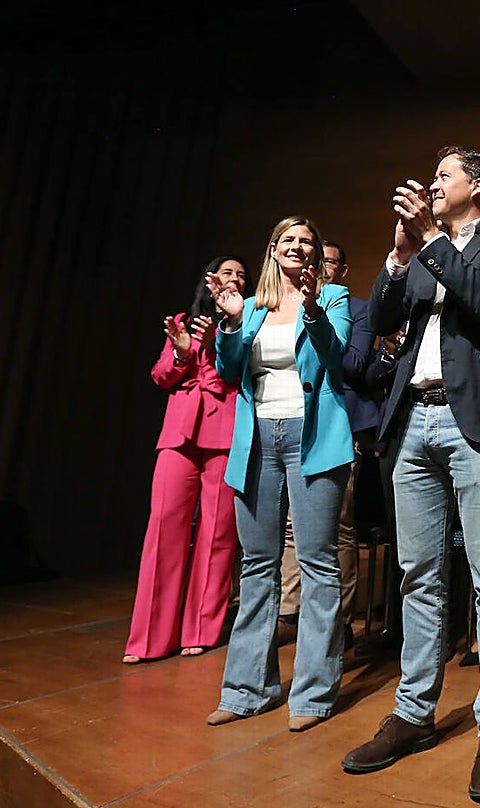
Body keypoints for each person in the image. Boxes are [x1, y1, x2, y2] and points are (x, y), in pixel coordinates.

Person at [342, 147, 480, 805]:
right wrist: (400, 257)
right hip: (412, 422)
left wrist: (429, 240)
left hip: (474, 420)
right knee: (417, 575)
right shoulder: (424, 250)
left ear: (476, 185)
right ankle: (414, 713)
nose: (432, 184)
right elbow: (382, 321)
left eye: (443, 176)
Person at [205, 216, 354, 733]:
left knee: (317, 565)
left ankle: (312, 694)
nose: (297, 246)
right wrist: (229, 326)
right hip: (257, 442)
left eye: (306, 241)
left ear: (314, 253)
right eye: (288, 240)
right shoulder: (249, 307)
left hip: (313, 438)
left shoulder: (332, 297)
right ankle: (247, 690)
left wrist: (312, 310)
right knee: (257, 565)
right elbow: (228, 372)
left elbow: (336, 357)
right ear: (273, 249)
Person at [123, 256, 248, 664]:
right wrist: (181, 355)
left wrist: (216, 343)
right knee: (163, 527)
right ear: (210, 280)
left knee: (217, 534)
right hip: (180, 432)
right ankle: (149, 639)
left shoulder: (246, 322)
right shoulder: (182, 321)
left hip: (224, 432)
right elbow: (161, 376)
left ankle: (200, 630)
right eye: (227, 272)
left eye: (241, 275)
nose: (234, 279)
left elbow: (238, 374)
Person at [278, 240, 378, 649]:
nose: (319, 268)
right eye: (316, 261)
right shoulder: (285, 306)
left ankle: (340, 617)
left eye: (329, 262)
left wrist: (318, 317)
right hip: (294, 419)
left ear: (342, 270)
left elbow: (352, 364)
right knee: (291, 524)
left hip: (341, 424)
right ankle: (290, 611)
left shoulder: (357, 308)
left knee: (338, 524)